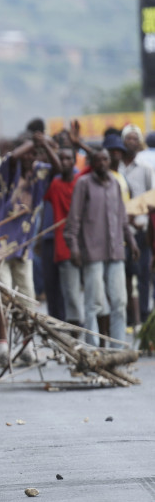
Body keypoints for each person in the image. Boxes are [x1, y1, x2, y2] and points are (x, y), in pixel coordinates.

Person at [0, 120, 62, 367]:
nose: (31, 157)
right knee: (4, 297)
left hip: (23, 246)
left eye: (34, 154)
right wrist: (32, 143)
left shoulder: (39, 171)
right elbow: (14, 155)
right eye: (28, 152)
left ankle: (27, 348)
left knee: (27, 300)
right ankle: (3, 349)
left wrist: (43, 145)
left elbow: (57, 166)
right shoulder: (9, 167)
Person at [64, 149, 139, 347]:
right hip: (92, 252)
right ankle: (93, 349)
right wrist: (74, 247)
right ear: (92, 163)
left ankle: (117, 350)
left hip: (115, 251)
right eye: (98, 160)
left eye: (105, 159)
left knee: (120, 302)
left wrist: (131, 241)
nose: (103, 163)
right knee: (94, 303)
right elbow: (74, 220)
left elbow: (122, 218)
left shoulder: (115, 183)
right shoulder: (83, 184)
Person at [118, 124, 155, 328]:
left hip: (140, 229)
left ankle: (142, 315)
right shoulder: (116, 167)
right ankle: (128, 318)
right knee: (123, 275)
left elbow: (152, 198)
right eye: (128, 138)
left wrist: (136, 214)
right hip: (120, 231)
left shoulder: (146, 169)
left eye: (135, 138)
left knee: (142, 274)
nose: (131, 142)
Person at [44, 148, 82, 330]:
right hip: (63, 247)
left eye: (69, 158)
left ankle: (85, 331)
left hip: (84, 246)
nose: (64, 162)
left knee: (85, 295)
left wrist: (79, 143)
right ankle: (72, 330)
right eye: (62, 158)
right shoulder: (55, 185)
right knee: (69, 293)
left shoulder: (81, 182)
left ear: (74, 162)